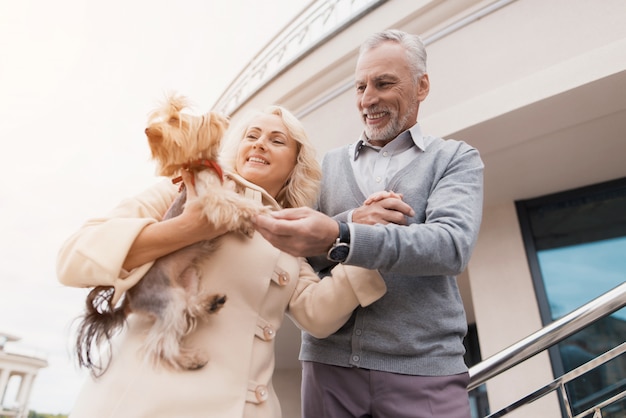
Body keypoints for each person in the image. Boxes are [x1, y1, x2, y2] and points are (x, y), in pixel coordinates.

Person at [56, 104, 387, 418]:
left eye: (276, 140)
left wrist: (365, 241)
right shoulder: (186, 186)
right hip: (151, 402)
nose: (259, 145)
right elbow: (74, 255)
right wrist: (189, 227)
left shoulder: (291, 237)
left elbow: (318, 315)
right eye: (251, 135)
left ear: (296, 164)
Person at [255, 29, 485, 418]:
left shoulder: (455, 159)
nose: (368, 99)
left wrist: (342, 235)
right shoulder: (323, 167)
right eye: (360, 86)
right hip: (329, 371)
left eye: (383, 83)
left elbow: (451, 246)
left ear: (421, 85)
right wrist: (349, 223)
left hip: (423, 372)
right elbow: (292, 257)